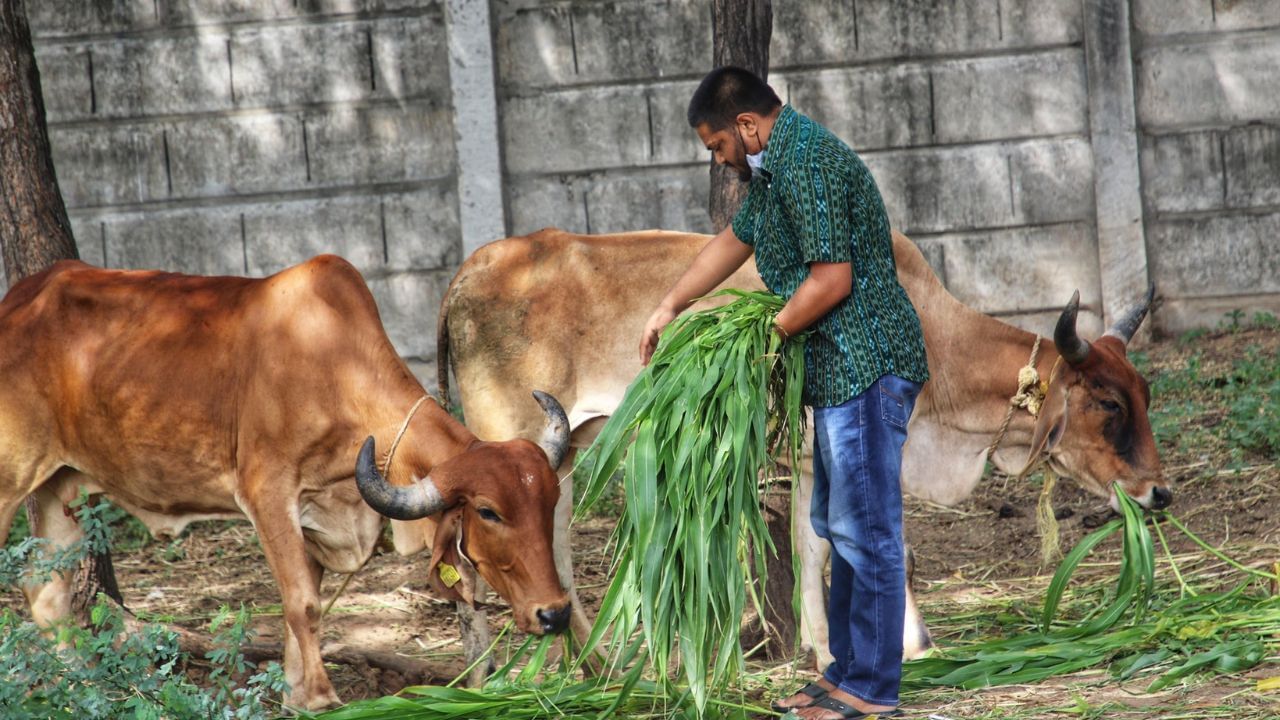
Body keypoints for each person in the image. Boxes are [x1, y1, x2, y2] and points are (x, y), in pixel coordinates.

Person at [638, 66, 929, 720]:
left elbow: (831, 281)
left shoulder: (807, 160)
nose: (718, 158)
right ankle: (845, 673)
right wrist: (671, 303)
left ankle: (872, 691)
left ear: (746, 125)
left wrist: (764, 340)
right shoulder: (773, 172)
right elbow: (733, 243)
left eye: (716, 146)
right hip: (835, 371)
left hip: (866, 361)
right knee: (837, 523)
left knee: (865, 530)